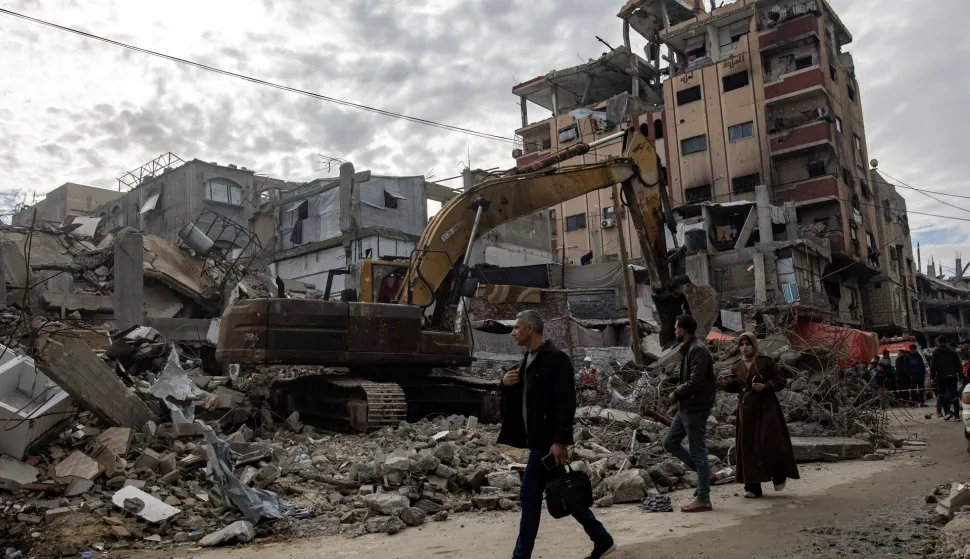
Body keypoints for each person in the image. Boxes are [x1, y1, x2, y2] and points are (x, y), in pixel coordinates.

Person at [497, 310, 615, 559]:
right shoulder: (525, 361)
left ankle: (520, 556)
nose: (512, 332)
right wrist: (504, 385)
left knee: (529, 496)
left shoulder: (555, 359)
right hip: (538, 442)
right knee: (566, 492)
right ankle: (602, 539)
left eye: (516, 327)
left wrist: (561, 441)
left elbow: (566, 403)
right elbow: (519, 402)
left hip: (547, 443)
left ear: (530, 328)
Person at [717, 333, 800, 498]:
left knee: (770, 442)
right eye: (741, 344)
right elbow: (736, 386)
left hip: (767, 407)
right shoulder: (736, 365)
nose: (744, 347)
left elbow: (780, 380)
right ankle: (753, 487)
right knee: (748, 446)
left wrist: (766, 386)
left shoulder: (766, 361)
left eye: (748, 344)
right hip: (747, 409)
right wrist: (725, 384)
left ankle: (778, 476)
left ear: (754, 345)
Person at [663, 314, 716, 513]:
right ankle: (706, 475)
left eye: (676, 328)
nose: (675, 331)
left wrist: (676, 392)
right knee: (670, 442)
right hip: (685, 408)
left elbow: (697, 381)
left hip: (695, 408)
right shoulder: (691, 349)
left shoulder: (698, 350)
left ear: (682, 330)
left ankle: (703, 498)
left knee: (698, 452)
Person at [931, 336, 963, 420]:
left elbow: (933, 366)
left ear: (938, 342)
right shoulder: (952, 352)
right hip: (952, 376)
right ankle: (957, 416)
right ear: (946, 342)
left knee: (941, 394)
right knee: (954, 394)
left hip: (942, 377)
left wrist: (932, 377)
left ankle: (947, 412)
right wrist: (961, 376)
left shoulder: (936, 352)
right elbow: (958, 366)